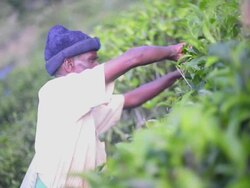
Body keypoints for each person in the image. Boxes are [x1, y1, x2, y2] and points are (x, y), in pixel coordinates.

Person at [21, 25, 184, 188]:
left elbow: (130, 99)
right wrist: (173, 50)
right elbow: (133, 58)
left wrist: (176, 75)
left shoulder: (80, 104)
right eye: (91, 60)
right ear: (69, 64)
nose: (97, 65)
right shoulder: (57, 92)